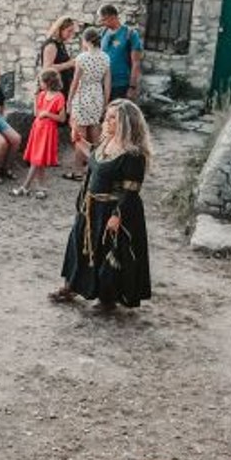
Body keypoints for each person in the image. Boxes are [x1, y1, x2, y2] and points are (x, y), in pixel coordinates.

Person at [53, 101, 152, 310]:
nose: (106, 121)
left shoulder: (133, 155)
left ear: (126, 122)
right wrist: (79, 141)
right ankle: (71, 286)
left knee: (108, 252)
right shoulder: (105, 143)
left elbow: (130, 191)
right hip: (89, 208)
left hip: (111, 210)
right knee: (79, 245)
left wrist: (117, 216)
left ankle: (107, 298)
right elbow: (95, 160)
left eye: (112, 118)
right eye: (106, 116)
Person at [64, 28, 110, 179]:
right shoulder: (105, 57)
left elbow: (75, 82)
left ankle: (78, 170)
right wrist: (106, 102)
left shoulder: (82, 58)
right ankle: (97, 169)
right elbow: (108, 83)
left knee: (80, 135)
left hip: (83, 95)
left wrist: (69, 101)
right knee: (96, 135)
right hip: (97, 95)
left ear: (86, 41)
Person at [13, 70, 66, 198]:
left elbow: (62, 119)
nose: (39, 84)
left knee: (37, 160)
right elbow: (36, 113)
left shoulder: (59, 97)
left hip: (48, 130)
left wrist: (48, 114)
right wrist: (35, 98)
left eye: (41, 81)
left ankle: (25, 187)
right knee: (38, 160)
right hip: (37, 128)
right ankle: (41, 187)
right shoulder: (42, 94)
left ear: (48, 83)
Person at [98, 6, 142, 103]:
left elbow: (136, 63)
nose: (101, 23)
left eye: (103, 20)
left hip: (121, 84)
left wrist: (132, 87)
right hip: (104, 83)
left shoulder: (130, 34)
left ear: (113, 17)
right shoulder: (103, 32)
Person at [36, 15, 77, 109]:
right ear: (60, 30)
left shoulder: (60, 44)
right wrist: (69, 64)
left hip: (61, 85)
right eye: (69, 31)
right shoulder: (51, 45)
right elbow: (47, 68)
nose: (71, 34)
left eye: (72, 31)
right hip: (53, 88)